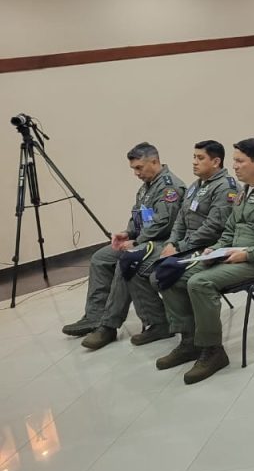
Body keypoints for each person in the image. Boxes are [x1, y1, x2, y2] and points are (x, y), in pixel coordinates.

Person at [154, 139, 254, 382]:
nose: (235, 166)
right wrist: (215, 249)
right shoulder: (243, 193)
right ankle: (190, 341)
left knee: (200, 283)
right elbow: (229, 231)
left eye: (240, 161)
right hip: (232, 254)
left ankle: (213, 351)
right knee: (171, 275)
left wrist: (248, 254)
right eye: (234, 161)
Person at [62, 143, 186, 345]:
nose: (136, 173)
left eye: (139, 168)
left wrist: (136, 241)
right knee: (100, 258)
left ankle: (109, 325)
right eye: (133, 169)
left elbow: (164, 223)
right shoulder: (147, 187)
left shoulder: (169, 187)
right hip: (146, 239)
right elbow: (139, 216)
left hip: (166, 241)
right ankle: (94, 316)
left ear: (154, 161)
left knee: (128, 260)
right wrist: (127, 233)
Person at [127, 141, 237, 348]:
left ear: (216, 162)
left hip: (209, 247)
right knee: (133, 265)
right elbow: (180, 221)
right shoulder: (196, 186)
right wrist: (172, 243)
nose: (194, 162)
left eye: (200, 158)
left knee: (165, 274)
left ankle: (190, 337)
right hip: (186, 244)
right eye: (194, 157)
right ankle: (165, 326)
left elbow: (213, 228)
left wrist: (179, 247)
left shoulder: (225, 188)